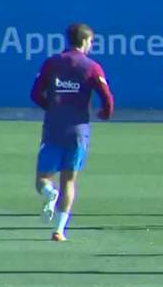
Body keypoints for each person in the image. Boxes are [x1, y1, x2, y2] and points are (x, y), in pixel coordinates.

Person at [30, 23, 114, 242]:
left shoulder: (52, 63)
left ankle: (48, 192)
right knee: (69, 180)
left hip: (54, 127)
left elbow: (35, 93)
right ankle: (59, 230)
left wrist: (51, 107)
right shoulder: (92, 67)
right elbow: (107, 96)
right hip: (78, 131)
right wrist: (105, 113)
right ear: (85, 42)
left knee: (43, 178)